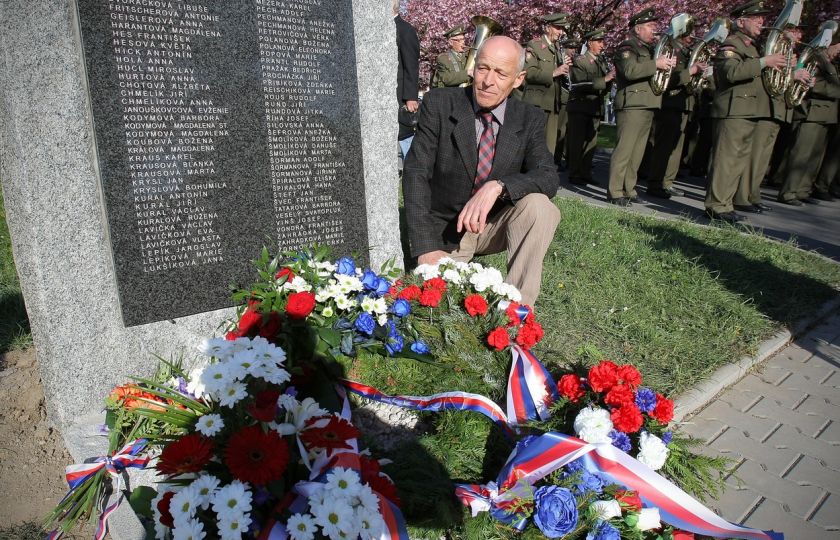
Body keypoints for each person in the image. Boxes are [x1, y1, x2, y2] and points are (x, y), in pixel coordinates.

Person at [403, 36, 561, 306]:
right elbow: (416, 172)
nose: (488, 81)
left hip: (490, 227)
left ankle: (517, 312)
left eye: (501, 73)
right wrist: (426, 247)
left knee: (541, 207)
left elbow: (548, 175)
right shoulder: (440, 103)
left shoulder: (529, 117)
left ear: (519, 79)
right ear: (473, 68)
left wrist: (498, 186)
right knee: (435, 308)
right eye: (483, 68)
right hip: (444, 231)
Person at [703, 0, 788, 223]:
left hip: (749, 111)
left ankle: (726, 204)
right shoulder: (731, 44)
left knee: (738, 161)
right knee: (726, 160)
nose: (762, 21)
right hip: (733, 110)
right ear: (741, 21)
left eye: (762, 17)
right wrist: (763, 62)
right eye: (756, 18)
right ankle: (715, 205)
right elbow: (730, 73)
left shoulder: (752, 47)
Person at [607, 8, 676, 206]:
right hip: (632, 104)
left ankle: (628, 188)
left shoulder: (648, 50)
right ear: (638, 29)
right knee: (624, 150)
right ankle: (615, 191)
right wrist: (657, 64)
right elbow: (630, 71)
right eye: (650, 26)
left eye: (655, 26)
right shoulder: (627, 48)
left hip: (647, 104)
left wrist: (665, 64)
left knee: (637, 152)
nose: (655, 30)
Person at [736, 24, 807, 213]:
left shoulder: (789, 54)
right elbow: (765, 75)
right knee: (754, 156)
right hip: (765, 108)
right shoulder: (768, 48)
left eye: (799, 33)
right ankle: (742, 196)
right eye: (794, 32)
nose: (797, 36)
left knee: (763, 158)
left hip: (778, 109)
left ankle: (753, 194)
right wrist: (792, 74)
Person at [778, 37, 840, 205]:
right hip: (810, 113)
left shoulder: (831, 63)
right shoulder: (816, 57)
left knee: (814, 157)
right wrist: (829, 89)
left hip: (825, 116)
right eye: (838, 47)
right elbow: (811, 82)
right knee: (801, 154)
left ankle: (803, 190)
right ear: (831, 43)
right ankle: (789, 192)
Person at [647, 32, 707, 198]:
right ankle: (655, 183)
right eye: (689, 34)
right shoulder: (670, 51)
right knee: (664, 147)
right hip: (669, 103)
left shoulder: (688, 53)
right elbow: (666, 80)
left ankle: (667, 182)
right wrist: (692, 71)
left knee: (676, 148)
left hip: (684, 104)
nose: (692, 38)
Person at [566, 28, 615, 186]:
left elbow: (603, 85)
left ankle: (585, 172)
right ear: (590, 42)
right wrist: (605, 79)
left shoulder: (601, 61)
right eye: (599, 42)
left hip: (594, 107)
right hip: (580, 106)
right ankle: (574, 173)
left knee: (591, 143)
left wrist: (610, 81)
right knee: (577, 142)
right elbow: (579, 83)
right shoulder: (580, 60)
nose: (602, 45)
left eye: (603, 42)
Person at [522, 13, 572, 160]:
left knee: (549, 146)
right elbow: (529, 73)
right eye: (558, 28)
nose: (561, 32)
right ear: (548, 27)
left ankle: (543, 178)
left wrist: (565, 68)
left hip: (553, 103)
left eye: (562, 29)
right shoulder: (535, 45)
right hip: (537, 103)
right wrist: (554, 71)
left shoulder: (558, 48)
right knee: (531, 144)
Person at [394, 1, 420, 160]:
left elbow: (411, 65)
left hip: (401, 96)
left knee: (406, 141)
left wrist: (411, 97)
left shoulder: (405, 29)